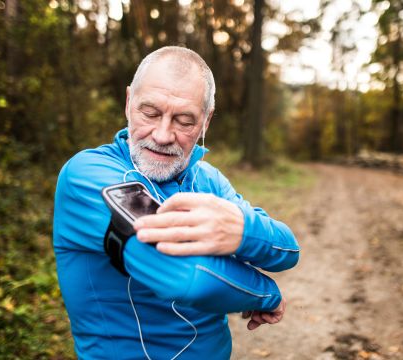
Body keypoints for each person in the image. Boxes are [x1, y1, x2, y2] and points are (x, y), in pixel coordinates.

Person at [53, 46, 300, 360]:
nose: (162, 134)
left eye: (184, 121)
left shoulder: (207, 178)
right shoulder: (89, 175)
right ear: (129, 102)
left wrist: (240, 230)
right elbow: (188, 277)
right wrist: (267, 295)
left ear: (205, 122)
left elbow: (288, 250)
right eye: (150, 113)